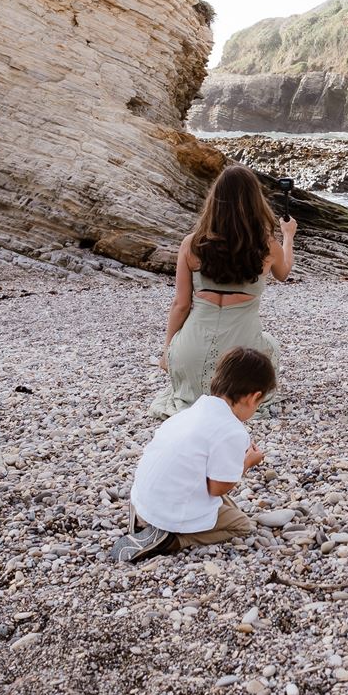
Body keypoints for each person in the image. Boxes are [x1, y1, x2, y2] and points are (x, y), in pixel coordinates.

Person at [154, 165, 294, 418]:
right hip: (240, 362)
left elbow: (181, 305)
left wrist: (168, 352)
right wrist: (288, 236)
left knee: (188, 362)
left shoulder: (192, 243)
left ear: (214, 201)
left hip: (190, 354)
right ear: (255, 202)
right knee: (271, 344)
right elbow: (283, 273)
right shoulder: (267, 245)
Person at [112, 346, 275, 562]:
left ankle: (145, 519)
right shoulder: (232, 431)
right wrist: (246, 463)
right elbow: (217, 488)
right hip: (169, 513)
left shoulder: (193, 411)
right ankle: (170, 538)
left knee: (225, 505)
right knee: (241, 524)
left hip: (143, 498)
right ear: (253, 398)